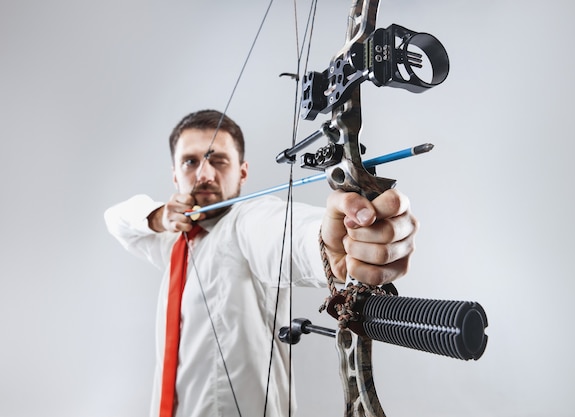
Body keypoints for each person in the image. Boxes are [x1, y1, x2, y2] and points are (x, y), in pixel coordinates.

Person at [104, 109, 418, 417]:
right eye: (190, 161)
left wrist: (334, 241)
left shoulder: (245, 224)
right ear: (175, 174)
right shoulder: (173, 241)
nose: (204, 174)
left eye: (218, 160)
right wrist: (157, 216)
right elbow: (116, 218)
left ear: (242, 171)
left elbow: (286, 234)